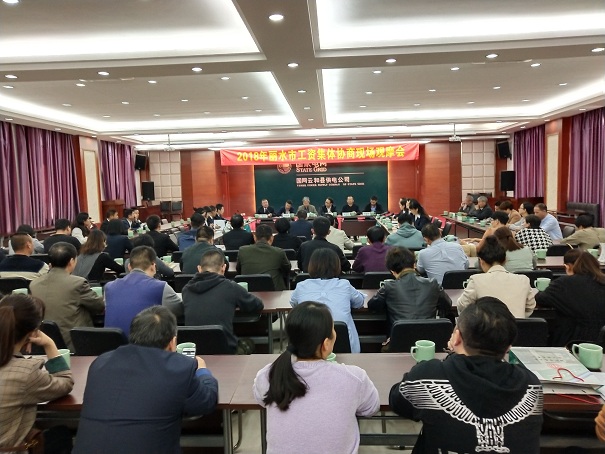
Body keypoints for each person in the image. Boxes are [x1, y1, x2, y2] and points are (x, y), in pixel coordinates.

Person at [389, 297, 543, 454]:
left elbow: (398, 402)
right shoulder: (531, 385)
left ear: (456, 337)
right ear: (508, 347)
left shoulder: (427, 375)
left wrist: (451, 356)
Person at [72, 306, 218, 453]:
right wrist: (202, 371)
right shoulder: (179, 368)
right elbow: (207, 401)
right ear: (173, 343)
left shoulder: (100, 363)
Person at [253, 301, 379, 453]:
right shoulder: (354, 378)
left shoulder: (268, 375)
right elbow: (371, 408)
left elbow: (261, 398)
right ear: (326, 344)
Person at [0, 294, 74, 452]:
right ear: (33, 332)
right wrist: (50, 344)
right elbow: (65, 382)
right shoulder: (25, 373)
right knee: (61, 435)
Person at [183, 250, 263, 354]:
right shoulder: (231, 287)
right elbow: (258, 305)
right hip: (225, 350)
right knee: (249, 343)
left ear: (199, 268)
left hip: (194, 352)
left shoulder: (186, 290)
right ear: (224, 268)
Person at [29, 242, 105, 351]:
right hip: (73, 343)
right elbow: (99, 306)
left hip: (42, 342)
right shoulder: (78, 283)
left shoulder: (34, 284)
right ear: (71, 261)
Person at [368, 247, 448, 343]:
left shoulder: (388, 286)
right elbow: (447, 304)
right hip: (429, 341)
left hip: (400, 340)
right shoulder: (433, 284)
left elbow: (372, 306)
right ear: (414, 265)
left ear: (392, 271)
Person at [291, 248, 364, 352]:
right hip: (345, 346)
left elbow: (295, 305)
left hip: (309, 347)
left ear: (311, 265)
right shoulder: (344, 285)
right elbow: (359, 302)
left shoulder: (301, 286)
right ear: (337, 265)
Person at [104, 246, 183, 336]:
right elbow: (180, 310)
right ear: (154, 267)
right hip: (145, 342)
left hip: (112, 343)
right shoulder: (161, 287)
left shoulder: (109, 287)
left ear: (129, 267)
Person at [535, 250, 605, 346]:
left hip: (570, 342)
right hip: (601, 342)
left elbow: (540, 299)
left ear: (568, 267)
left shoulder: (564, 283)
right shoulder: (601, 282)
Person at [457, 236, 535, 318]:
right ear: (505, 260)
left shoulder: (476, 280)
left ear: (481, 261)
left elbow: (462, 306)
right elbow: (530, 307)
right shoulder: (523, 280)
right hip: (516, 325)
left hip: (487, 325)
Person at [237, 224, 291, 291]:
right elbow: (287, 269)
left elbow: (239, 270)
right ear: (272, 238)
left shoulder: (242, 250)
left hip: (249, 292)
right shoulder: (279, 252)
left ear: (254, 237)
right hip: (274, 293)